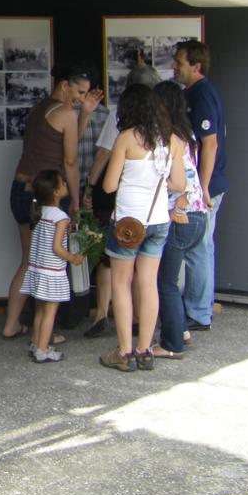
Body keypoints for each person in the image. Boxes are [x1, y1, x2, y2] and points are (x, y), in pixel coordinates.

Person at [3, 66, 102, 340]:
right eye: (79, 92)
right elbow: (70, 161)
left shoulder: (41, 108)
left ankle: (12, 324)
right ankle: (43, 335)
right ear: (64, 85)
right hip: (44, 196)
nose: (81, 98)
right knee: (49, 266)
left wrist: (85, 114)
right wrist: (75, 199)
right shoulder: (66, 112)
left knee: (29, 261)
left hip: (20, 189)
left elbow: (66, 140)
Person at [98, 84, 186, 373]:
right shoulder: (173, 141)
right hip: (158, 220)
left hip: (128, 224)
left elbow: (109, 185)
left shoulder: (126, 138)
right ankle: (145, 350)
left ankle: (124, 352)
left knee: (121, 284)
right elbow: (179, 184)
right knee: (148, 284)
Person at [81, 60, 163, 337]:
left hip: (120, 200)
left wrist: (89, 186)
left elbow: (104, 155)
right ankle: (141, 325)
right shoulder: (162, 121)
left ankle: (103, 315)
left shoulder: (122, 118)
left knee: (110, 260)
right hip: (154, 208)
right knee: (145, 273)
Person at [173, 40, 228, 332]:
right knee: (199, 247)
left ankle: (198, 311)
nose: (174, 67)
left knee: (200, 248)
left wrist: (203, 189)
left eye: (179, 62)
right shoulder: (194, 93)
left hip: (206, 187)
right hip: (201, 186)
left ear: (196, 66)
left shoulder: (202, 94)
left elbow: (210, 144)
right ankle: (197, 308)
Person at [153, 80, 208, 360]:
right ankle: (182, 330)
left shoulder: (168, 138)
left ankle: (172, 344)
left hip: (180, 216)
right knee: (171, 280)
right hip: (198, 216)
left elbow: (178, 183)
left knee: (166, 282)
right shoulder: (187, 135)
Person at [22, 170, 84, 363]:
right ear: (56, 192)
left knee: (40, 310)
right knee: (50, 312)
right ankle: (43, 349)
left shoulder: (41, 212)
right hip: (52, 272)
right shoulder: (60, 217)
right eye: (63, 183)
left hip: (37, 269)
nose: (66, 185)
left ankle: (35, 342)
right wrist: (73, 258)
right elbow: (57, 248)